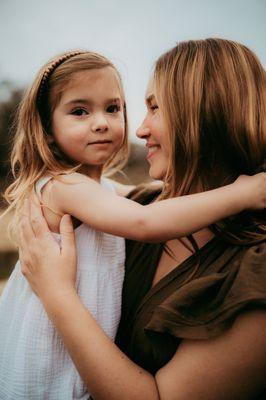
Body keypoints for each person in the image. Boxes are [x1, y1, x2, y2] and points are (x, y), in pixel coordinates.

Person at [0, 48, 262, 400]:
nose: (137, 128)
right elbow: (144, 220)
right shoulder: (90, 193)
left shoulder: (252, 272)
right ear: (46, 130)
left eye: (115, 108)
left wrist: (57, 293)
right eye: (80, 111)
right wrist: (241, 193)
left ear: (205, 114)